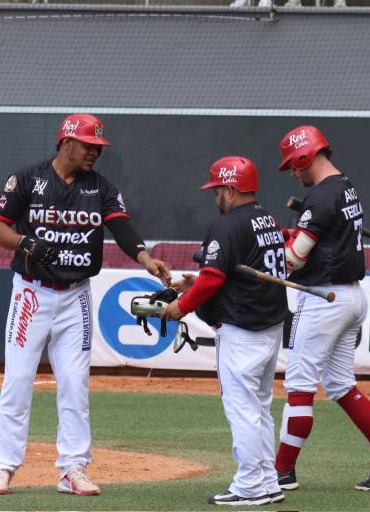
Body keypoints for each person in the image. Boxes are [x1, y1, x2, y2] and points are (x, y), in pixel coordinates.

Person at [0, 113, 171, 496]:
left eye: (98, 147)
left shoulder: (100, 187)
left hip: (76, 295)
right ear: (67, 142)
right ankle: (3, 467)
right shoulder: (27, 179)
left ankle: (73, 468)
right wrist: (24, 243)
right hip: (31, 292)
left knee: (74, 384)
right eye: (89, 145)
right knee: (18, 380)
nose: (95, 153)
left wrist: (145, 258)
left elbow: (120, 226)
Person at [274, 125, 370, 492]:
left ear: (305, 157)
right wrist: (293, 234)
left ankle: (280, 473)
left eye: (293, 165)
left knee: (299, 387)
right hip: (351, 298)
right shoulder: (347, 187)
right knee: (340, 384)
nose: (293, 173)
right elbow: (324, 238)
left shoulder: (319, 197)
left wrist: (273, 246)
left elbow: (293, 260)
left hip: (323, 299)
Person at [161, 156, 289, 507]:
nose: (215, 195)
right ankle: (266, 480)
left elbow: (216, 276)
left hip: (242, 329)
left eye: (217, 189)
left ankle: (249, 486)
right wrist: (193, 284)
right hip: (268, 325)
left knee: (243, 409)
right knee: (259, 407)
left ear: (231, 189)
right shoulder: (267, 219)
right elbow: (230, 274)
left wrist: (181, 307)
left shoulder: (227, 225)